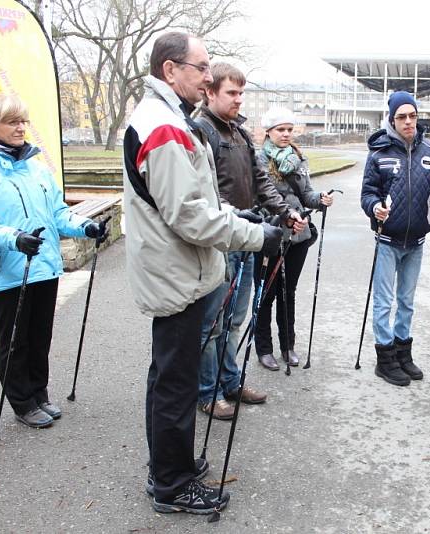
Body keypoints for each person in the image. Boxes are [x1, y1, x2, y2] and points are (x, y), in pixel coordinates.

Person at [122, 32, 281, 515]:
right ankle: (171, 485)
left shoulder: (166, 118)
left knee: (169, 376)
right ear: (172, 70)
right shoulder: (164, 126)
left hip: (176, 271)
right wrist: (256, 236)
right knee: (175, 382)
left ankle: (168, 467)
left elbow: (194, 200)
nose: (208, 76)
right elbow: (187, 214)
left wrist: (242, 218)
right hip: (177, 275)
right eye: (202, 66)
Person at [0, 94, 107, 430]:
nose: (20, 127)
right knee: (14, 341)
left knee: (40, 336)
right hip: (7, 272)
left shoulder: (37, 169)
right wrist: (13, 238)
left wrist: (86, 226)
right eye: (12, 121)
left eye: (22, 121)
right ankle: (22, 402)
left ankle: (39, 394)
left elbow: (57, 213)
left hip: (43, 267)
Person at [194, 63, 306, 419]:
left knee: (236, 317)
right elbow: (204, 193)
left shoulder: (240, 134)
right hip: (220, 238)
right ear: (211, 92)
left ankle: (230, 381)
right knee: (212, 322)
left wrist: (285, 211)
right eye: (232, 93)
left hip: (247, 237)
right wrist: (237, 219)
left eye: (242, 93)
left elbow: (261, 181)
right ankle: (208, 392)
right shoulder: (201, 131)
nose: (239, 100)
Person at [360, 91, 430, 387]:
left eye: (412, 115)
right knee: (384, 301)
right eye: (402, 117)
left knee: (407, 301)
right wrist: (375, 208)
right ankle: (385, 359)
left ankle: (403, 352)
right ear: (392, 119)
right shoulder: (379, 154)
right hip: (387, 240)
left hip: (417, 242)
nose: (408, 121)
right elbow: (368, 194)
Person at [254, 107, 334, 370]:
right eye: (280, 129)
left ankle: (287, 346)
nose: (286, 134)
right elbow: (256, 197)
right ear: (268, 131)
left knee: (288, 292)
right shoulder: (257, 159)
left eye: (289, 129)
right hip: (268, 234)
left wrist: (320, 200)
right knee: (265, 293)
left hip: (297, 235)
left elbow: (307, 194)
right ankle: (264, 349)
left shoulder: (298, 157)